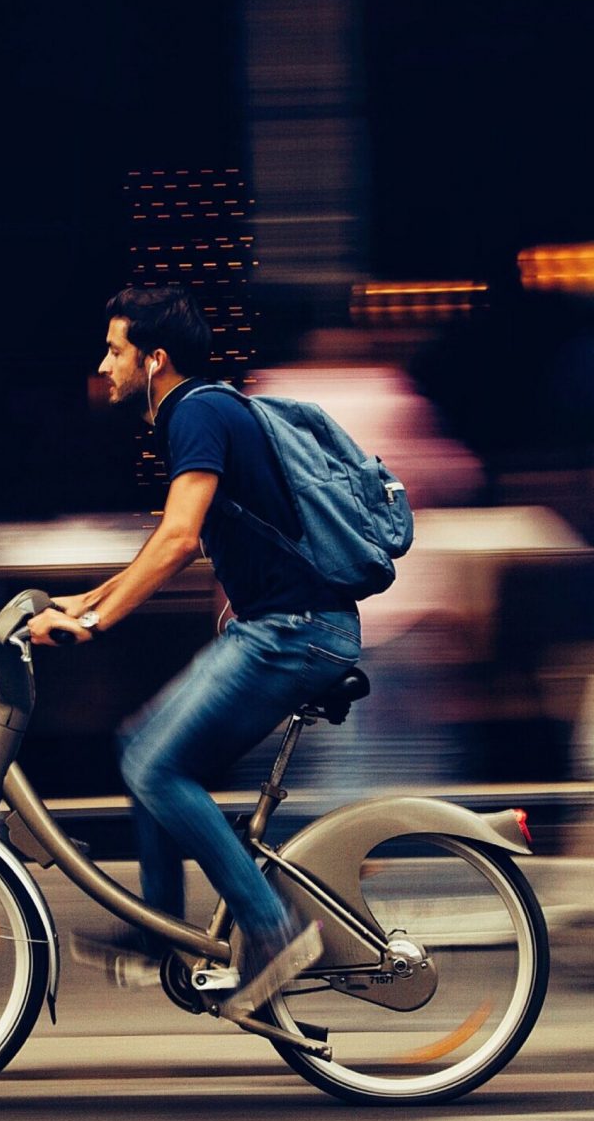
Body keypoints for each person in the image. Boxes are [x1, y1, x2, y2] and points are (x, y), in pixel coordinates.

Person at [28, 286, 362, 1013]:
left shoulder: (198, 412)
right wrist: (86, 600)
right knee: (140, 742)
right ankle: (161, 935)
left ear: (155, 359)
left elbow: (178, 539)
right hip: (279, 627)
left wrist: (95, 626)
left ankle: (273, 931)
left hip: (295, 630)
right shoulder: (202, 410)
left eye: (115, 349)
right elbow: (175, 545)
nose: (103, 363)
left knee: (153, 764)